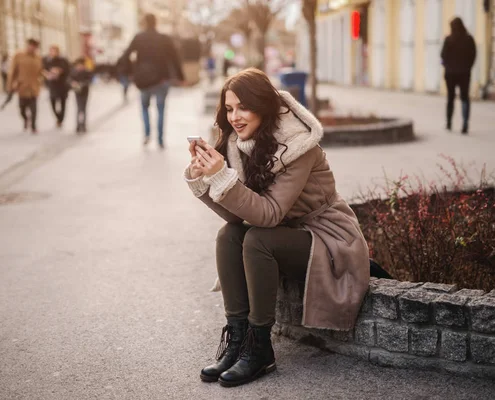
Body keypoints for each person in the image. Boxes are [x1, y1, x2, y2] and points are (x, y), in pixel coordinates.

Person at [184, 68, 371, 387]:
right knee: (230, 236)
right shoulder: (239, 143)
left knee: (258, 239)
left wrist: (222, 178)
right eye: (229, 109)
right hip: (284, 232)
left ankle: (260, 348)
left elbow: (268, 215)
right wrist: (205, 176)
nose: (235, 117)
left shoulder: (297, 146)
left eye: (243, 107)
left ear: (264, 106)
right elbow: (236, 217)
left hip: (327, 237)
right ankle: (238, 339)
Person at [121, 13, 185, 149]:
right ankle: (160, 140)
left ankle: (147, 134)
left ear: (144, 22)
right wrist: (181, 76)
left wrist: (130, 72)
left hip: (144, 80)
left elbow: (126, 55)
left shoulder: (138, 38)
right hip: (162, 80)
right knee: (161, 109)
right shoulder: (164, 38)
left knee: (144, 107)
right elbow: (175, 58)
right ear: (156, 23)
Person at [441, 17, 476, 134]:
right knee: (464, 98)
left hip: (450, 74)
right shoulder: (469, 39)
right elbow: (473, 55)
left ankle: (449, 123)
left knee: (450, 98)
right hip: (464, 74)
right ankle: (465, 124)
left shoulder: (448, 39)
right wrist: (468, 66)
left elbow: (442, 55)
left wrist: (446, 66)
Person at [7, 38, 43, 134]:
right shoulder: (19, 55)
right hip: (22, 87)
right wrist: (10, 86)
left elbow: (41, 71)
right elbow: (12, 71)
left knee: (34, 109)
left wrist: (44, 77)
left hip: (34, 87)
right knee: (22, 109)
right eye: (31, 45)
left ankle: (34, 126)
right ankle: (26, 119)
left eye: (34, 46)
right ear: (28, 45)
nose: (32, 48)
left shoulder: (38, 58)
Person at [43, 45, 71, 128]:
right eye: (51, 51)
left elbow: (68, 70)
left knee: (63, 103)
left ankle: (61, 119)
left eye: (54, 51)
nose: (53, 53)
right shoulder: (47, 60)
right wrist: (47, 74)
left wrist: (59, 71)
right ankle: (58, 117)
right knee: (52, 101)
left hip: (62, 85)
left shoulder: (63, 60)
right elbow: (43, 69)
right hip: (52, 85)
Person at [69, 58, 93, 134]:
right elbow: (69, 79)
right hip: (77, 92)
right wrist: (73, 83)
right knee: (79, 109)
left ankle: (83, 124)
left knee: (83, 109)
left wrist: (82, 84)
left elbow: (89, 80)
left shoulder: (87, 72)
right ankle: (78, 125)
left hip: (85, 92)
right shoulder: (74, 72)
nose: (79, 67)